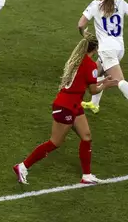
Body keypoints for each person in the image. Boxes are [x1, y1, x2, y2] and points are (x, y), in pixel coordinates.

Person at [13, 34, 120, 185]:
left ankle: (87, 176)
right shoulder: (90, 65)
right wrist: (107, 84)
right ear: (96, 48)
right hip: (66, 107)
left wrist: (103, 81)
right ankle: (23, 166)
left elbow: (83, 82)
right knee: (55, 142)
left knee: (86, 136)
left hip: (72, 104)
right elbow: (93, 91)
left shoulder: (76, 60)